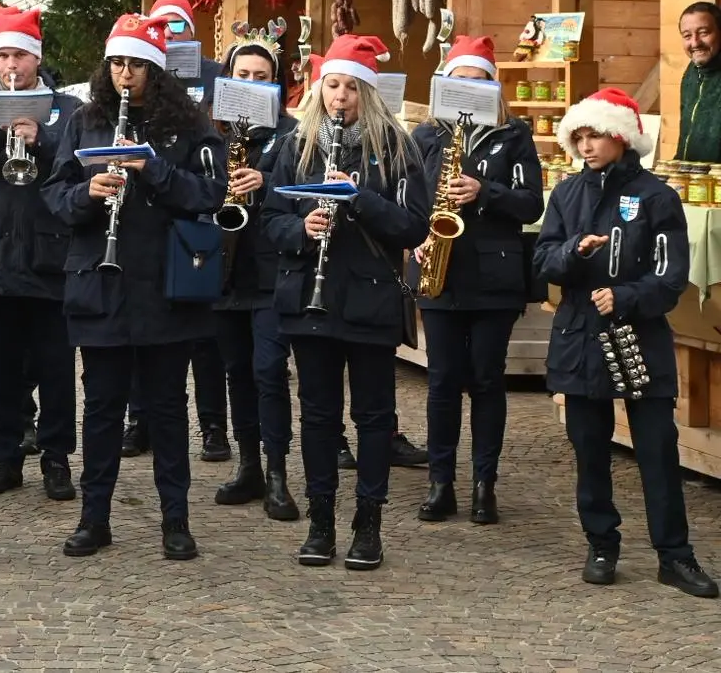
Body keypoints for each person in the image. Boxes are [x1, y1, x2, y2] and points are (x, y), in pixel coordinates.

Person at [44, 14, 226, 560]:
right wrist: (88, 193)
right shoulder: (85, 120)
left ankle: (176, 520)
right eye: (117, 64)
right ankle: (93, 518)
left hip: (165, 283)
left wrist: (153, 170)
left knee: (167, 407)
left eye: (137, 65)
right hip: (100, 281)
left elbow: (211, 194)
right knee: (102, 407)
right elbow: (54, 194)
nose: (125, 74)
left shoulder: (190, 125)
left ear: (156, 70)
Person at [536, 87, 718, 597]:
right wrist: (574, 251)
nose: (586, 146)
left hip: (640, 335)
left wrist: (626, 297)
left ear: (621, 137)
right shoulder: (566, 194)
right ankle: (601, 545)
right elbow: (543, 260)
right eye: (579, 136)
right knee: (589, 449)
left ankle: (674, 556)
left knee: (658, 450)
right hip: (580, 337)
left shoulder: (658, 197)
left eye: (595, 135)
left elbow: (671, 277)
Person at [262, 34, 429, 572]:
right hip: (309, 297)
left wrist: (360, 199)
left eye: (352, 88)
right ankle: (321, 521)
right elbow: (270, 220)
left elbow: (413, 227)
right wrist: (302, 228)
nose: (340, 96)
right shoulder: (297, 144)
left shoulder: (398, 148)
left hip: (370, 298)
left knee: (374, 415)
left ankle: (368, 522)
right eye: (332, 85)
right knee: (317, 414)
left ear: (369, 94)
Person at [408, 35, 543, 526]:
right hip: (438, 269)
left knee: (487, 379)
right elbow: (408, 200)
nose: (467, 89)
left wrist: (485, 191)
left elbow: (532, 204)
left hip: (494, 275)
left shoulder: (515, 134)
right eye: (459, 81)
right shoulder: (427, 135)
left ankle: (485, 485)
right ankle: (440, 482)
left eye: (478, 82)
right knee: (442, 380)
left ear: (494, 88)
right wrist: (415, 237)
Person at [0, 10, 81, 502]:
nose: (10, 64)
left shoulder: (67, 110)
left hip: (51, 255)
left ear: (36, 59)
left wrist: (41, 140)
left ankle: (56, 458)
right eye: (2, 55)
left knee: (55, 368)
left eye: (20, 55)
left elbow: (79, 170)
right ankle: (4, 458)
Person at [122, 0, 228, 462]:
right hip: (147, 218)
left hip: (193, 217)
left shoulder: (214, 73)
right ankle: (138, 418)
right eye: (163, 25)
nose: (172, 33)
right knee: (140, 330)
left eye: (179, 25)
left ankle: (212, 425)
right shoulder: (136, 76)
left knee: (202, 337)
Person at [207, 31, 300, 520]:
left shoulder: (292, 134)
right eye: (242, 76)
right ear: (227, 80)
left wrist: (266, 182)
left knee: (268, 371)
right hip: (224, 269)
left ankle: (278, 472)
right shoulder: (213, 134)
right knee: (236, 371)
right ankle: (248, 467)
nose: (250, 83)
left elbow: (305, 190)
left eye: (261, 78)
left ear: (275, 86)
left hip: (271, 270)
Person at [676, 1, 721, 162]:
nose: (695, 43)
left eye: (703, 33)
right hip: (691, 175)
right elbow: (685, 134)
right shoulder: (691, 73)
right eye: (687, 36)